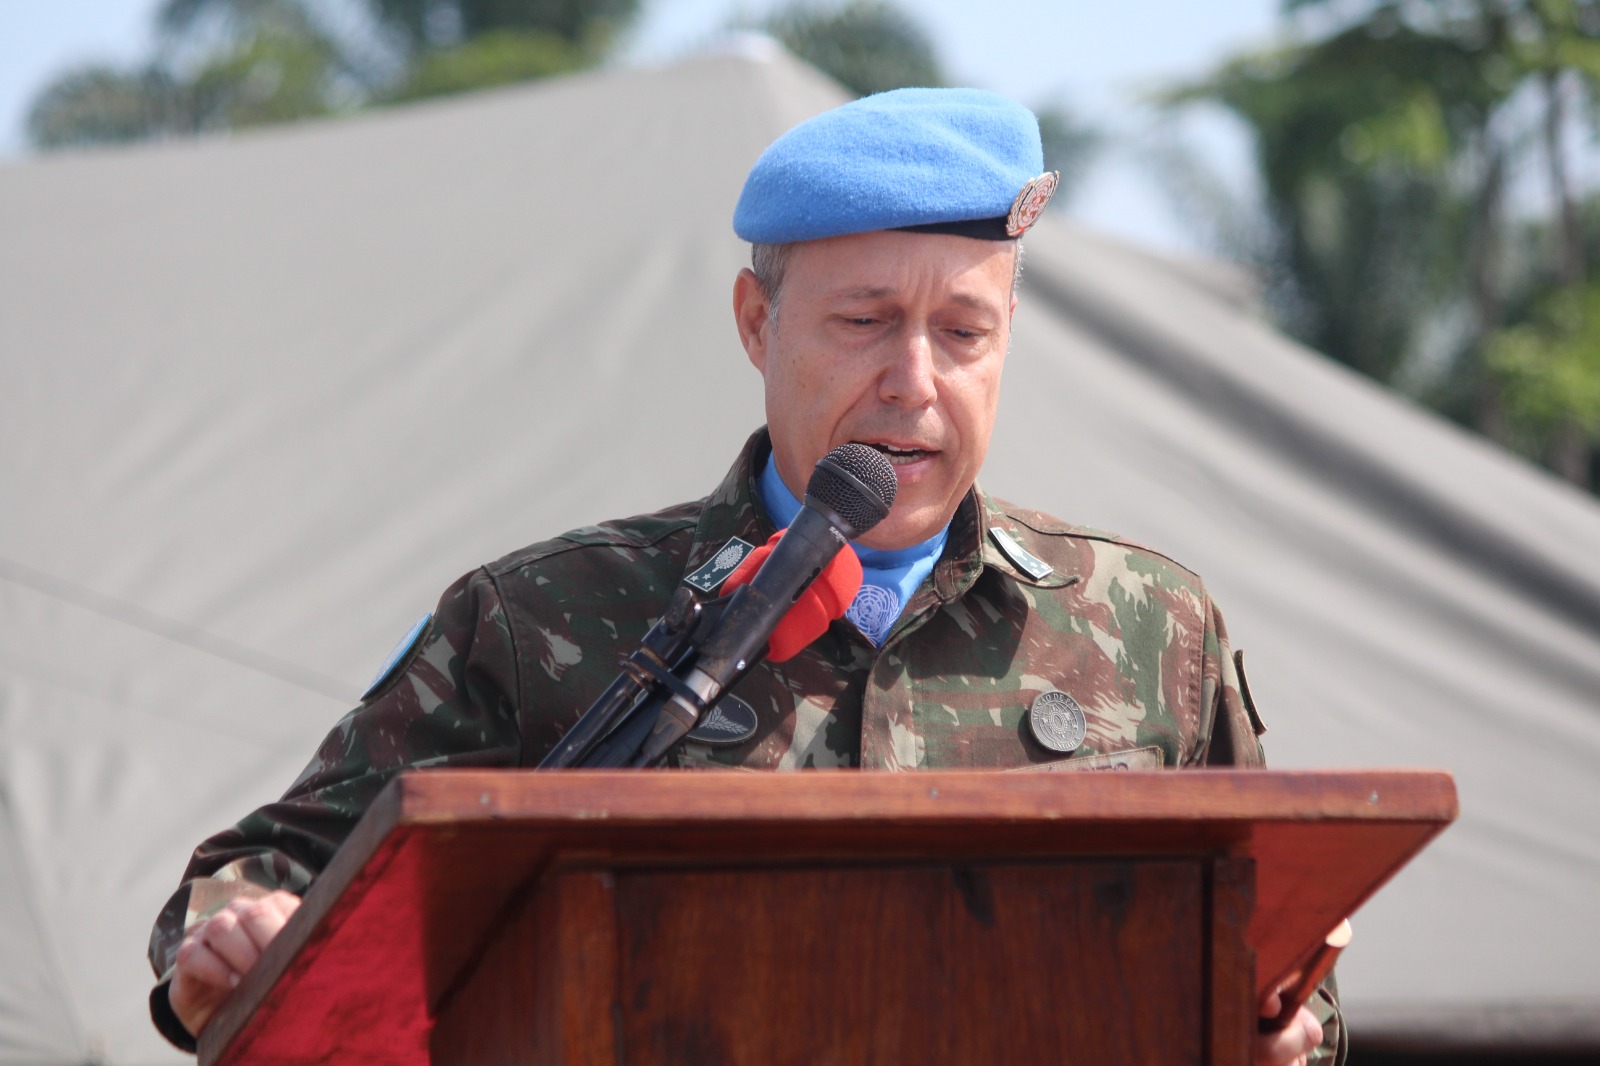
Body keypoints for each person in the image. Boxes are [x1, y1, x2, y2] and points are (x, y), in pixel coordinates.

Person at [148, 87, 1343, 1064]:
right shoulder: (543, 618)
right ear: (756, 325)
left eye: (962, 332)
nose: (914, 381)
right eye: (864, 321)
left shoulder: (1151, 627)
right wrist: (234, 944)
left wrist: (1282, 1035)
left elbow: (1284, 971)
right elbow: (259, 879)